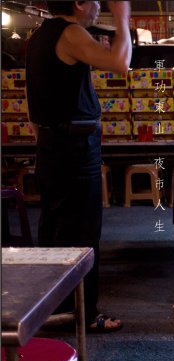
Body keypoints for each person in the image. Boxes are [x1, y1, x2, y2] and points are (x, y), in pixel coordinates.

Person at [26, 1, 132, 332]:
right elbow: (120, 63)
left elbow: (36, 101)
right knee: (82, 232)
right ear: (78, 3)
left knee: (57, 228)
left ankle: (55, 311)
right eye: (96, 3)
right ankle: (83, 316)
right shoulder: (71, 32)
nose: (98, 8)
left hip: (51, 143)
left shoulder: (41, 35)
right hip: (73, 145)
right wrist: (122, 18)